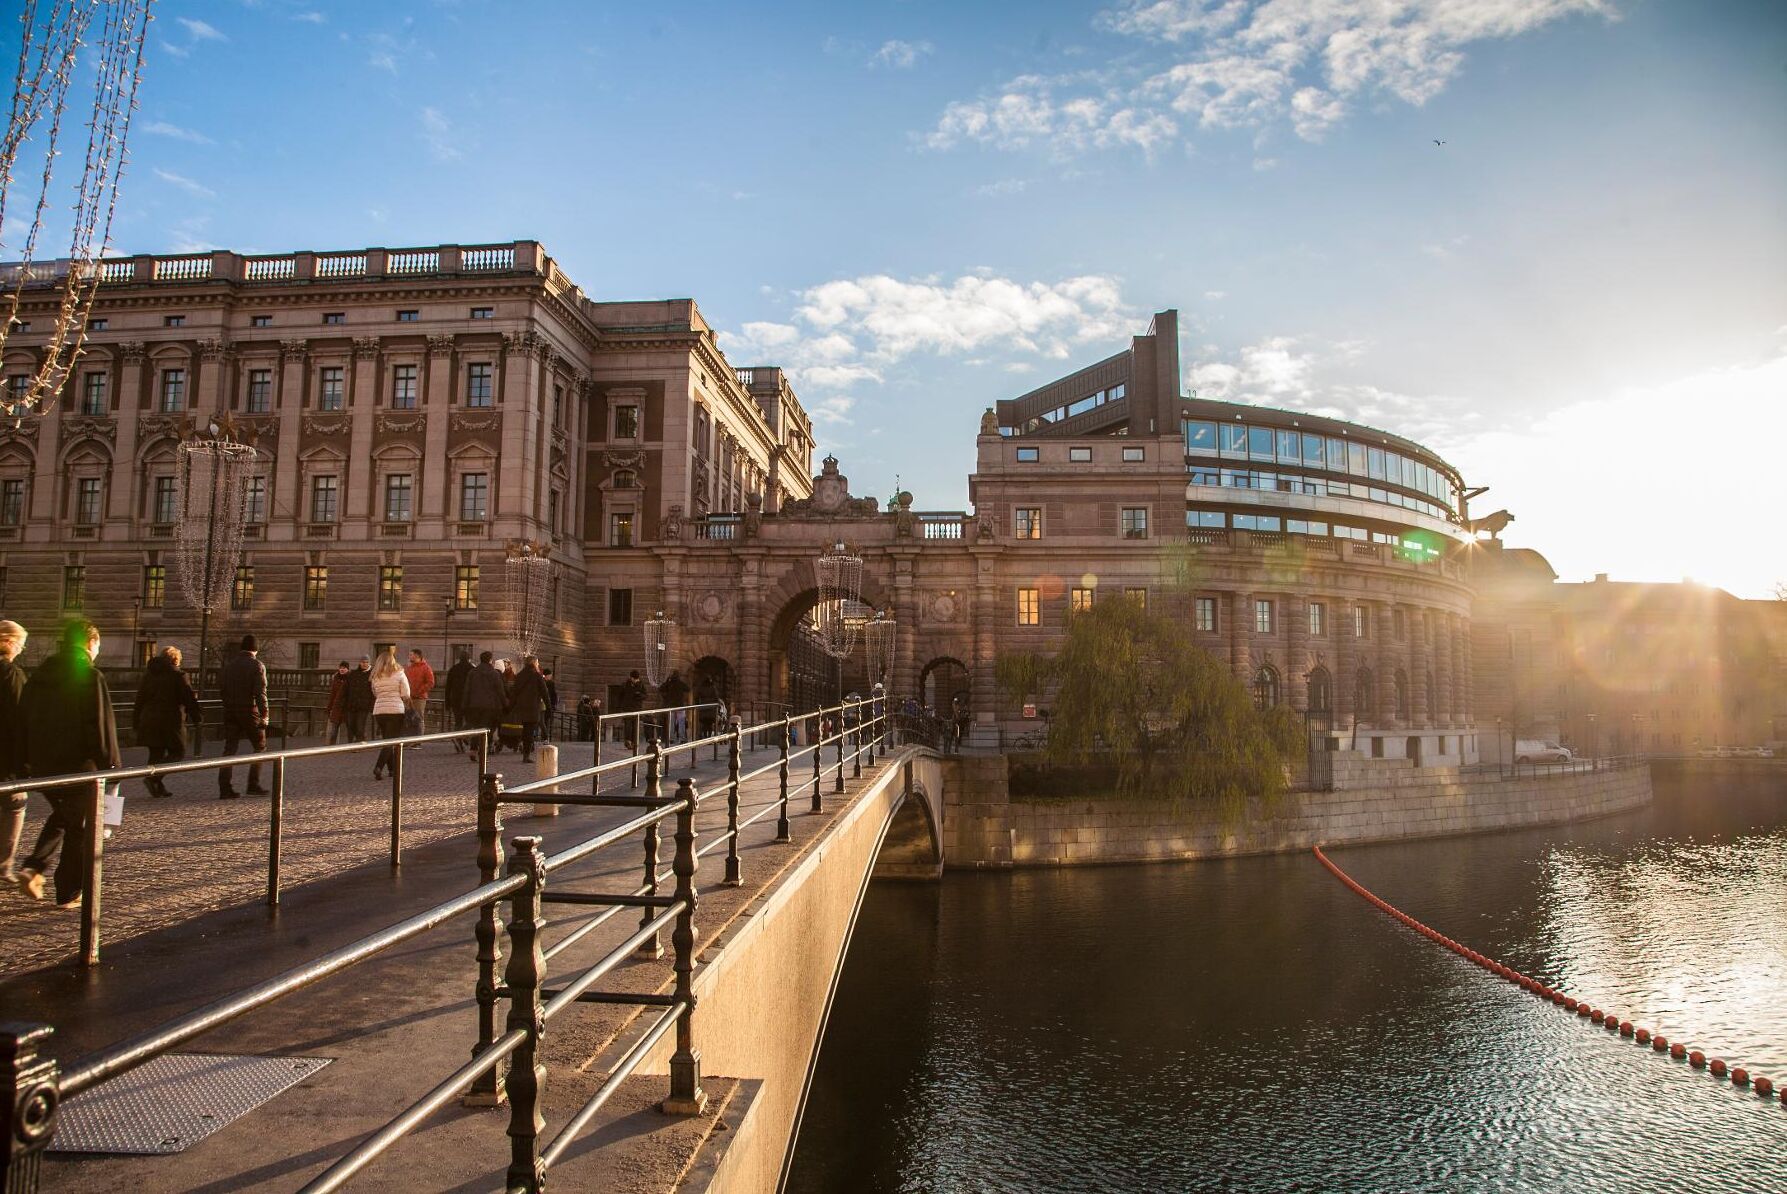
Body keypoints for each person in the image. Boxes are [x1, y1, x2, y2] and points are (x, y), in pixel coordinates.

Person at [14, 620, 120, 906]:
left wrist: (24, 760)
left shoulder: (38, 676)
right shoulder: (89, 676)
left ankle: (34, 869)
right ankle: (67, 890)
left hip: (43, 765)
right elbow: (100, 727)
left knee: (65, 817)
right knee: (80, 828)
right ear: (91, 642)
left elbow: (22, 720)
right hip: (79, 766)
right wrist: (112, 766)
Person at [133, 645, 201, 799]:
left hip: (149, 719)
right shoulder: (178, 675)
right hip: (170, 721)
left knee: (155, 754)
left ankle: (157, 786)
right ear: (176, 660)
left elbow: (140, 699)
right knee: (178, 752)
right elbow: (188, 699)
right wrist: (197, 717)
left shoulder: (149, 675)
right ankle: (153, 779)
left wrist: (136, 720)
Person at [217, 634, 270, 799]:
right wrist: (265, 714)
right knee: (260, 747)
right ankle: (253, 784)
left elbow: (223, 689)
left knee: (230, 749)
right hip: (249, 710)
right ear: (255, 649)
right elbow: (260, 693)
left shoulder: (229, 666)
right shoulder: (257, 665)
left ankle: (225, 788)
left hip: (230, 711)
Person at [0, 620, 29, 883]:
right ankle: (4, 865)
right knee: (15, 805)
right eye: (20, 643)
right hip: (6, 754)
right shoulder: (11, 674)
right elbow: (21, 718)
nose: (21, 648)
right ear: (9, 642)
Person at [370, 646, 412, 780]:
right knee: (390, 741)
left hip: (379, 710)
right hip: (395, 710)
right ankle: (378, 767)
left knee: (387, 739)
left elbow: (375, 692)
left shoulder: (375, 676)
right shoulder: (399, 673)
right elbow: (406, 693)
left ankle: (392, 769)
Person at [500, 655, 551, 764]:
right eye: (537, 662)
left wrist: (509, 707)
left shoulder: (519, 675)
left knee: (524, 730)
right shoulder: (537, 676)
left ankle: (524, 749)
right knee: (529, 731)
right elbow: (545, 693)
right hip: (532, 708)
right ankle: (526, 754)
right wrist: (549, 707)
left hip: (521, 708)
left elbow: (514, 693)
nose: (538, 664)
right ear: (533, 663)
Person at [463, 651, 507, 755]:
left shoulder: (472, 672)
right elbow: (500, 691)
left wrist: (465, 705)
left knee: (476, 727)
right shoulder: (494, 673)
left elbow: (467, 690)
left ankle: (473, 749)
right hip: (490, 706)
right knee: (488, 729)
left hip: (474, 705)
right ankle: (484, 750)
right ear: (490, 660)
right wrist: (505, 704)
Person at [444, 650, 473, 753]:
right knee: (470, 720)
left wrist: (447, 703)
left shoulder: (453, 669)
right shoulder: (472, 669)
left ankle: (458, 737)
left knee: (458, 720)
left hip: (455, 699)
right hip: (468, 700)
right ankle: (463, 736)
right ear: (469, 658)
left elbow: (448, 687)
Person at [404, 648, 435, 734]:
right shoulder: (409, 668)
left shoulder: (426, 668)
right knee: (408, 718)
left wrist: (419, 691)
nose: (409, 656)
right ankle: (409, 739)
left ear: (416, 656)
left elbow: (430, 683)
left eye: (411, 655)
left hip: (419, 698)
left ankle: (417, 741)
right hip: (409, 697)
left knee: (418, 718)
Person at [344, 656, 374, 743]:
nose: (364, 664)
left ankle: (359, 742)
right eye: (363, 662)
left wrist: (371, 704)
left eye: (366, 662)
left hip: (364, 705)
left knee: (360, 725)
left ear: (369, 663)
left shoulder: (372, 674)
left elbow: (373, 691)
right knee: (350, 725)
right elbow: (347, 688)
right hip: (352, 704)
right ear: (360, 663)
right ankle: (352, 742)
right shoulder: (353, 674)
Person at [617, 669, 648, 750]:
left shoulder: (641, 685)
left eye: (637, 679)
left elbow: (645, 695)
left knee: (635, 726)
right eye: (634, 679)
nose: (636, 680)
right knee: (628, 725)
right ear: (631, 678)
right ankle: (628, 741)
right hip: (627, 708)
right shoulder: (625, 685)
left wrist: (639, 695)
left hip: (637, 708)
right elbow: (620, 696)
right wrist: (620, 707)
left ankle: (634, 743)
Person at [325, 660, 353, 745]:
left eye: (344, 668)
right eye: (341, 668)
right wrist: (329, 708)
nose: (342, 669)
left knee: (350, 728)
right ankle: (332, 746)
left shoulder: (351, 679)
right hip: (337, 707)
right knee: (334, 729)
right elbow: (332, 695)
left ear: (347, 669)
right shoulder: (336, 679)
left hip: (347, 707)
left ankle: (351, 745)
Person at [660, 669, 689, 744]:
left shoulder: (669, 683)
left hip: (671, 705)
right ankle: (682, 738)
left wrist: (667, 681)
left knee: (671, 723)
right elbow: (688, 689)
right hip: (680, 705)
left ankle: (671, 738)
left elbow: (661, 688)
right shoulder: (680, 683)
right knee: (681, 722)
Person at [540, 667, 558, 743]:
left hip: (542, 705)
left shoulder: (542, 681)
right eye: (550, 675)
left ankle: (543, 737)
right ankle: (545, 738)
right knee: (545, 722)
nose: (551, 677)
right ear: (547, 675)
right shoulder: (550, 683)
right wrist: (554, 704)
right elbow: (554, 695)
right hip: (547, 705)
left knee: (542, 721)